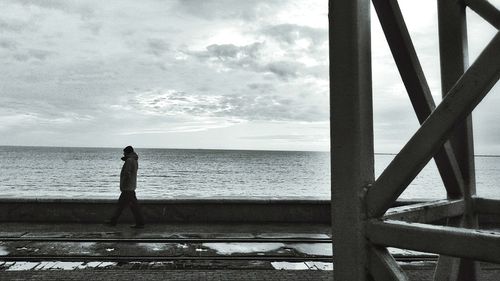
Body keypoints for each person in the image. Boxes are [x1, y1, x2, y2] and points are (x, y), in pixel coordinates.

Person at [106, 146, 145, 228]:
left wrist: (124, 185)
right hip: (131, 187)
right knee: (132, 206)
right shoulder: (134, 160)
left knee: (121, 206)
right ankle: (140, 223)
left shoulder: (129, 160)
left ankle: (113, 222)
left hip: (127, 188)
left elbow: (127, 174)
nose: (123, 154)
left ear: (127, 152)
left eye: (124, 152)